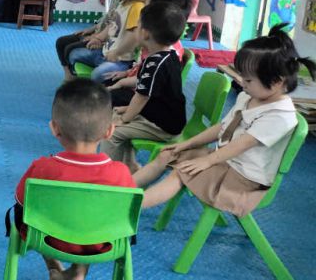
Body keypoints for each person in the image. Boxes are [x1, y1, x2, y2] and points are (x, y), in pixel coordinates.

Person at [135, 23, 316, 218]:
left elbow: (242, 144)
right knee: (167, 155)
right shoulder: (249, 96)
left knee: (181, 172)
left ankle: (128, 207)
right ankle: (122, 190)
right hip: (225, 159)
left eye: (248, 80)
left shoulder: (280, 115)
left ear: (277, 82)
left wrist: (207, 160)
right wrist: (186, 144)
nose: (242, 83)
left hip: (243, 179)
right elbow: (222, 127)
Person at [14, 79, 136, 280]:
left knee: (28, 213)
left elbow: (20, 200)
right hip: (101, 243)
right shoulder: (121, 173)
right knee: (93, 218)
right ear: (109, 131)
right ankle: (79, 270)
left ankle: (53, 265)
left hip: (49, 240)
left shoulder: (42, 167)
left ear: (54, 128)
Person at [101, 1, 188, 171]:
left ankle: (109, 175)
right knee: (115, 114)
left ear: (145, 33)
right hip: (160, 115)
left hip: (163, 126)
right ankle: (129, 165)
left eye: (138, 26)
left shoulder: (155, 63)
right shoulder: (168, 56)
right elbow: (147, 84)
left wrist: (125, 118)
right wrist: (126, 108)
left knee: (111, 132)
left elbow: (141, 96)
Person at [105, 0, 193, 107]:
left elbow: (148, 82)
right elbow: (142, 68)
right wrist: (126, 73)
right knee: (106, 83)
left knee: (106, 95)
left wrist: (123, 82)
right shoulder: (155, 42)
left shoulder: (165, 53)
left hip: (147, 98)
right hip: (137, 85)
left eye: (147, 6)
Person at [66, 0, 150, 83]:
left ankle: (96, 91)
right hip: (104, 53)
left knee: (98, 74)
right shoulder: (124, 3)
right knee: (74, 54)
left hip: (121, 61)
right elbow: (112, 25)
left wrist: (117, 53)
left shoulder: (137, 8)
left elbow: (133, 39)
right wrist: (99, 38)